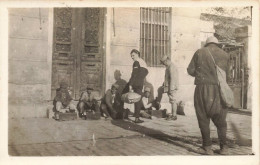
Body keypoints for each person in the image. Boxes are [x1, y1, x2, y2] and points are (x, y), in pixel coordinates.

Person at [187, 36, 229, 155]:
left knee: (203, 118)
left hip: (202, 88)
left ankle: (207, 147)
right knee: (221, 120)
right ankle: (224, 147)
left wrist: (201, 73)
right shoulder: (225, 54)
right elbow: (228, 76)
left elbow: (190, 70)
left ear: (206, 44)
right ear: (217, 44)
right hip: (219, 89)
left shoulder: (200, 52)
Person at [156, 55, 179, 120]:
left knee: (173, 100)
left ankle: (174, 116)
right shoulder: (168, 67)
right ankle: (158, 104)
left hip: (172, 87)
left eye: (163, 63)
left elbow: (173, 79)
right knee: (160, 90)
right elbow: (167, 78)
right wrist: (164, 84)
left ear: (166, 60)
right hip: (168, 86)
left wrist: (171, 88)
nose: (163, 64)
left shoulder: (172, 67)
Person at [128, 49, 149, 123]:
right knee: (138, 99)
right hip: (140, 84)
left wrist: (130, 84)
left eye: (133, 55)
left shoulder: (136, 62)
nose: (132, 57)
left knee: (137, 100)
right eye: (131, 56)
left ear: (137, 54)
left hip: (136, 84)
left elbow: (134, 74)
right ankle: (136, 116)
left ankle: (136, 117)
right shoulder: (143, 62)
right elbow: (145, 73)